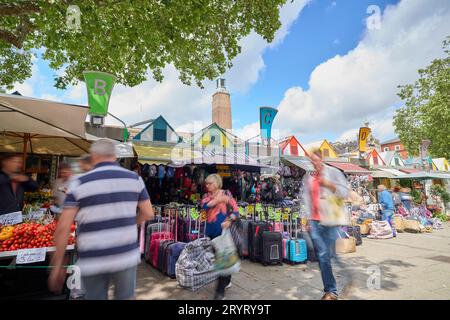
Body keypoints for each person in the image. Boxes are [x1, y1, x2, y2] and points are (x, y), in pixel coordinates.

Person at [48, 139, 155, 300]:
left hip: (92, 257)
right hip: (125, 254)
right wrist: (131, 223)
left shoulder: (79, 183)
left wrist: (57, 266)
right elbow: (148, 213)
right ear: (114, 156)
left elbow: (63, 227)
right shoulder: (134, 178)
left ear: (93, 157)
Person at [302, 149, 349, 300]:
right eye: (312, 161)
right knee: (322, 255)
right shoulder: (309, 177)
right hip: (314, 221)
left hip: (329, 219)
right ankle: (331, 291)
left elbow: (344, 192)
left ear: (322, 159)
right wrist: (306, 218)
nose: (314, 163)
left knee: (329, 255)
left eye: (317, 160)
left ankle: (340, 283)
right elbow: (305, 198)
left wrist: (329, 185)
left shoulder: (334, 172)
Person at [200, 174, 239, 300]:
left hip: (224, 233)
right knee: (221, 259)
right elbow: (204, 206)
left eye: (210, 183)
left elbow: (236, 210)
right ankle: (227, 279)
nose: (207, 186)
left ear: (217, 183)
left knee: (221, 261)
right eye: (206, 183)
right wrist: (218, 200)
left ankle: (219, 293)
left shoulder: (226, 193)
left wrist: (229, 220)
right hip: (211, 232)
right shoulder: (206, 196)